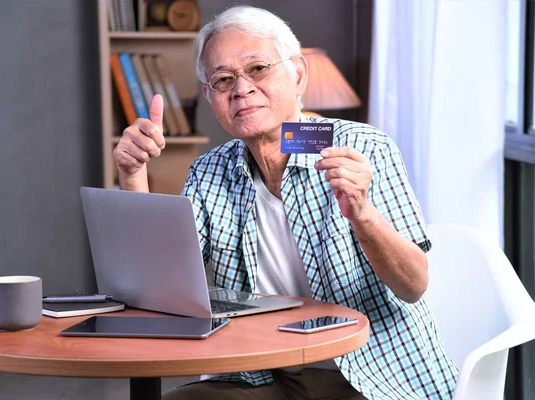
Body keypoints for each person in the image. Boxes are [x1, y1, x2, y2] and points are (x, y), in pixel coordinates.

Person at [113, 5, 458, 400]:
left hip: (370, 373)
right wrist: (133, 175)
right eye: (223, 80)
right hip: (261, 373)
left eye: (258, 69)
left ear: (297, 74)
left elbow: (413, 286)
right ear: (210, 98)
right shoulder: (210, 171)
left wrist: (362, 214)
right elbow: (158, 285)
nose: (241, 88)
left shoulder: (364, 147)